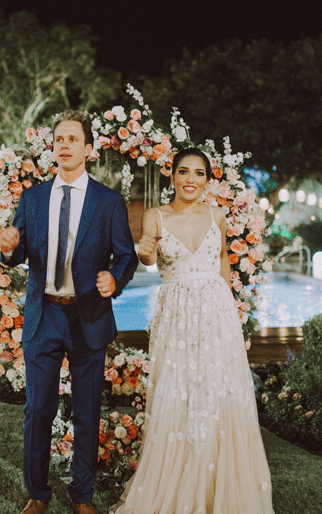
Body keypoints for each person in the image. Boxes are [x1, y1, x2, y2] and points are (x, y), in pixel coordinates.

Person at [110, 148, 273, 514]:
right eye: (183, 171)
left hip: (217, 316)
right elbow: (148, 256)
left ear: (207, 180)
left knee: (218, 392)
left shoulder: (218, 215)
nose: (190, 179)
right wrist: (145, 251)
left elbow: (222, 258)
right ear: (172, 177)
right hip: (177, 316)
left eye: (199, 173)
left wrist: (230, 308)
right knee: (178, 392)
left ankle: (219, 491)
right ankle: (178, 487)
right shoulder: (155, 215)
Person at [0, 110, 138, 514]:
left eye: (73, 139)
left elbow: (126, 256)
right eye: (59, 138)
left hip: (87, 317)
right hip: (43, 316)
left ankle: (82, 496)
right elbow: (18, 251)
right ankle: (37, 494)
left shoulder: (108, 201)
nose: (64, 144)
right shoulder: (33, 198)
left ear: (88, 149)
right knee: (37, 410)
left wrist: (115, 279)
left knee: (87, 411)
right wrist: (7, 249)